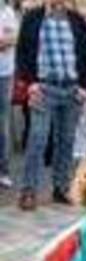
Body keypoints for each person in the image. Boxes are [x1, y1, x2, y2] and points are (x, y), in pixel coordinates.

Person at [15, 0, 86, 210]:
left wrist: (85, 87)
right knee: (37, 140)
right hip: (43, 88)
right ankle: (28, 190)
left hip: (72, 89)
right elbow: (22, 52)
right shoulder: (32, 17)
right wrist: (30, 84)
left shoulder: (76, 19)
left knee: (66, 142)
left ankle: (61, 188)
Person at [0, 0, 17, 189]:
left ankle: (3, 171)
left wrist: (5, 41)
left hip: (4, 74)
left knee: (2, 123)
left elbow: (11, 40)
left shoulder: (7, 12)